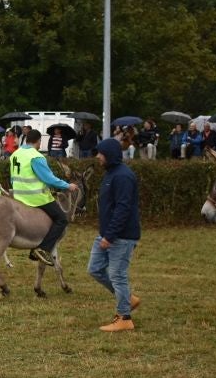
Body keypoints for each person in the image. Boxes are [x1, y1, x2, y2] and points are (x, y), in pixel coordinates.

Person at [88, 138, 141, 332]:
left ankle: (124, 318)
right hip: (107, 233)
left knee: (117, 275)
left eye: (100, 153)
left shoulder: (123, 177)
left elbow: (123, 209)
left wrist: (109, 236)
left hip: (121, 236)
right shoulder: (111, 174)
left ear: (109, 154)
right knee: (94, 269)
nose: (97, 157)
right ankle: (127, 299)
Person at [8, 129, 78, 266]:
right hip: (35, 198)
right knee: (61, 219)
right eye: (40, 142)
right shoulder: (36, 156)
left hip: (18, 196)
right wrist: (67, 186)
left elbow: (12, 178)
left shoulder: (15, 154)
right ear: (39, 141)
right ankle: (43, 249)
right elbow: (49, 178)